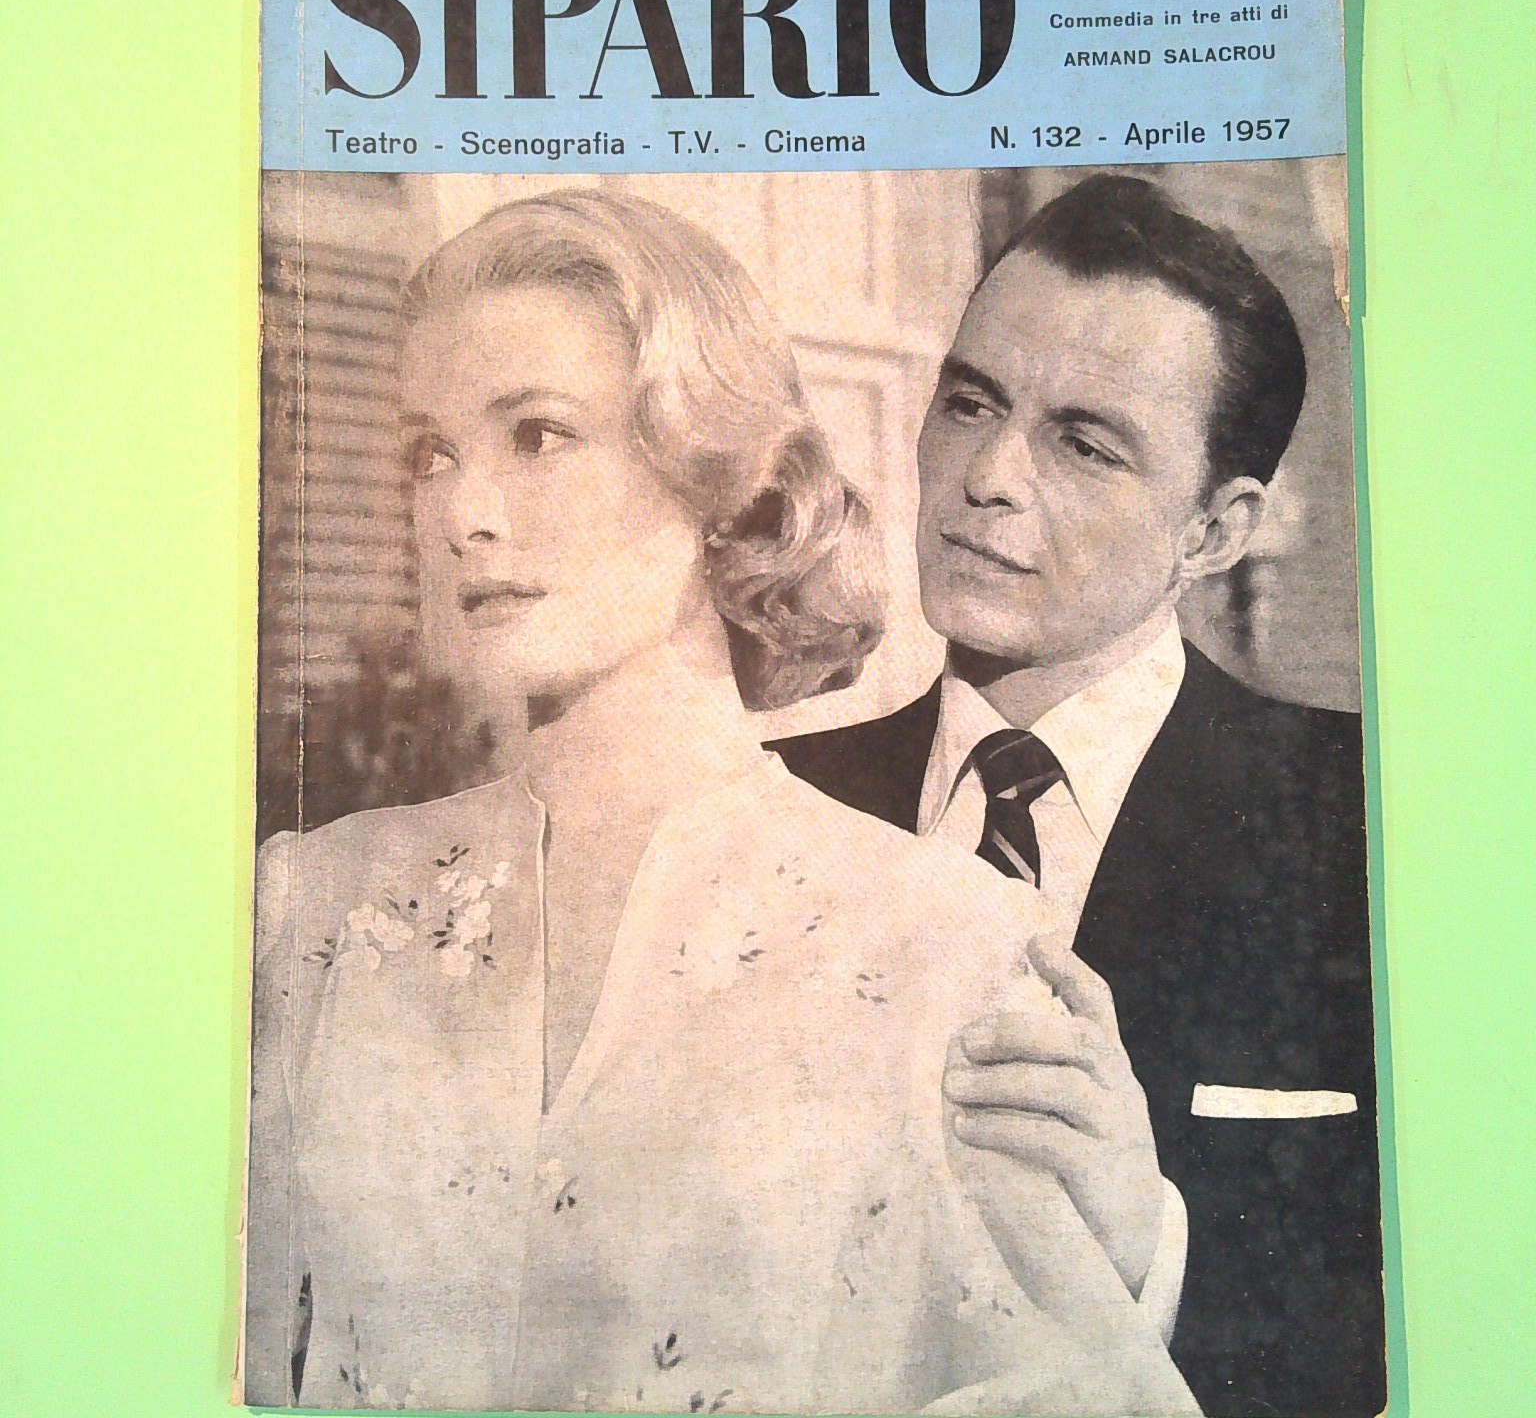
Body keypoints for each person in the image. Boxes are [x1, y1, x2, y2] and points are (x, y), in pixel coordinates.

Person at [242, 188, 1198, 1414]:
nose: (464, 514)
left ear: (725, 481)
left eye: (538, 435)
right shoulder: (305, 909)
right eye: (432, 453)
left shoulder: (948, 942)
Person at [773, 174, 1385, 1417]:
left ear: (1215, 533)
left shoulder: (1364, 828)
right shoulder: (769, 811)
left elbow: (1439, 1328)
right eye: (970, 403)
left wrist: (1149, 1239)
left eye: (1085, 443)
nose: (989, 475)